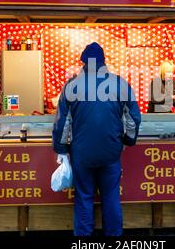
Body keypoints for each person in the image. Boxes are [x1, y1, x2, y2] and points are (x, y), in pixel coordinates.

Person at [52, 42, 141, 236]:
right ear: (103, 61)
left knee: (83, 197)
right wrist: (128, 140)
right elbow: (133, 118)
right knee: (110, 197)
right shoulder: (120, 84)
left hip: (82, 154)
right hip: (111, 152)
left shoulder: (71, 85)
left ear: (83, 61)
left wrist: (60, 148)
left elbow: (62, 122)